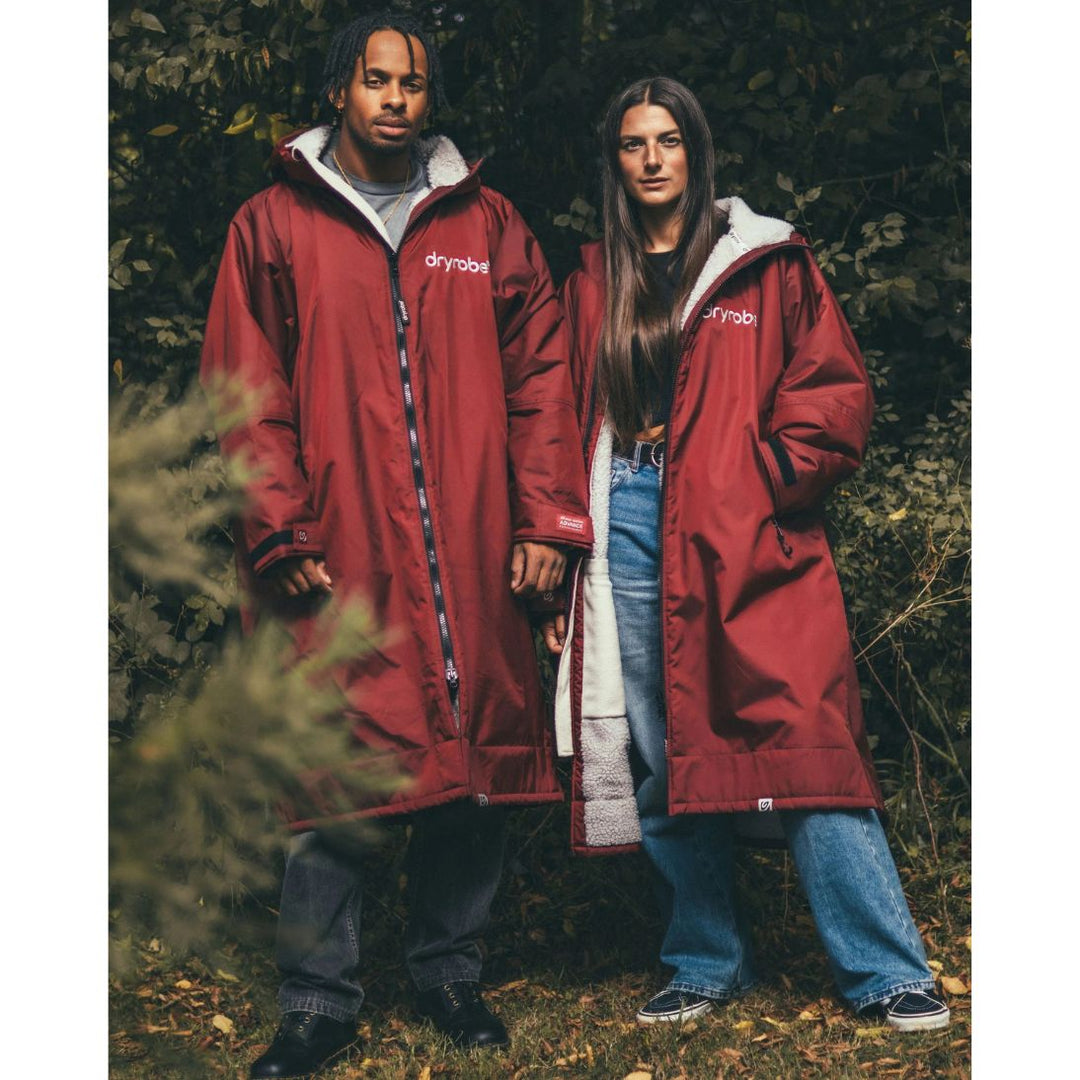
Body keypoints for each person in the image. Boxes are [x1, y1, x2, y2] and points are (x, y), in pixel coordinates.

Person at [200, 12, 594, 1077]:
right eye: (375, 80)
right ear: (341, 91)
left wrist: (549, 520)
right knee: (334, 770)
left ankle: (448, 973)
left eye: (412, 84)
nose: (394, 99)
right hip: (341, 546)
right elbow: (247, 391)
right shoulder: (271, 226)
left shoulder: (489, 224)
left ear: (429, 98)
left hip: (472, 545)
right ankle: (317, 1001)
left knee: (472, 768)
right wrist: (276, 522)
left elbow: (543, 383)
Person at [543, 76, 949, 1034]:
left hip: (746, 526)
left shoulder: (766, 262)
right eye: (634, 143)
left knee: (807, 740)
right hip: (630, 518)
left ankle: (886, 971)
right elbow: (559, 414)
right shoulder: (595, 277)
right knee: (664, 752)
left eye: (668, 140)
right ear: (615, 162)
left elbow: (833, 390)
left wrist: (766, 472)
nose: (651, 158)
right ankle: (703, 960)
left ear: (696, 150)